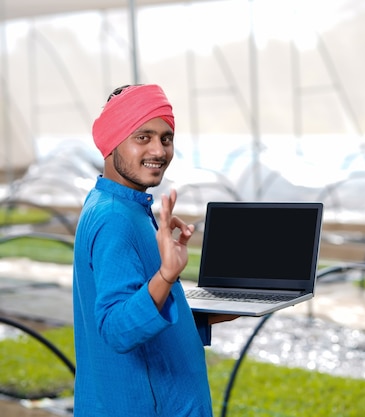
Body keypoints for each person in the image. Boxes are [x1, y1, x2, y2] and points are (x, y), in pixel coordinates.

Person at [73, 84, 236, 416]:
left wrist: (225, 310)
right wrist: (166, 274)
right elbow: (117, 329)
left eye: (166, 138)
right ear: (111, 141)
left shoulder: (124, 206)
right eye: (143, 137)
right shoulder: (114, 218)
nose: (159, 151)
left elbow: (143, 308)